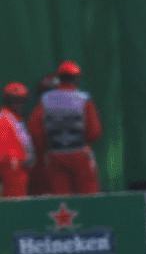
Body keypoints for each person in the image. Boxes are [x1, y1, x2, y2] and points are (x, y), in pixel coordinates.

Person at [28, 60, 103, 194]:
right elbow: (94, 131)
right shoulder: (83, 99)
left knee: (61, 197)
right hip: (79, 153)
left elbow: (34, 129)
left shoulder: (46, 99)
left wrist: (45, 146)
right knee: (88, 195)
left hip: (55, 155)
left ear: (59, 78)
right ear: (77, 78)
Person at [0, 82, 36, 198]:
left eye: (21, 100)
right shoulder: (4, 117)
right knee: (14, 202)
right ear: (7, 100)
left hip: (21, 169)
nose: (19, 104)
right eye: (15, 100)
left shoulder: (16, 118)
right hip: (11, 170)